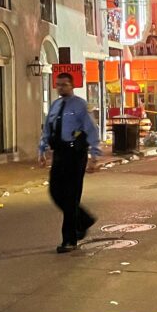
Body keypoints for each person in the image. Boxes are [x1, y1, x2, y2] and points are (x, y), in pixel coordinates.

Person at [38, 73, 101, 254]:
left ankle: (69, 240)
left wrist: (94, 157)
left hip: (75, 154)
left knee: (71, 197)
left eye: (65, 85)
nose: (61, 88)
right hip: (59, 153)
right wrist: (42, 150)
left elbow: (91, 130)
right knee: (55, 192)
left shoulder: (80, 105)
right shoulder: (55, 105)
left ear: (72, 86)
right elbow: (47, 129)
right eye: (58, 85)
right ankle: (84, 219)